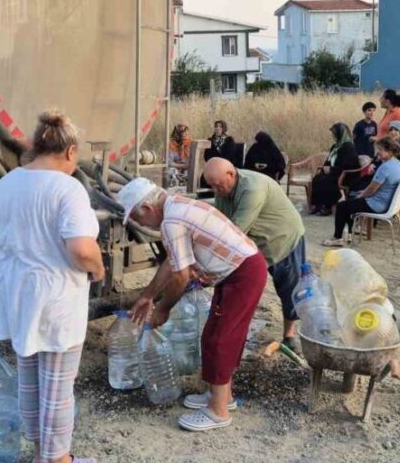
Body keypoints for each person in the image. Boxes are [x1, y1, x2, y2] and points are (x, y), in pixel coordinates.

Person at [0, 112, 104, 463]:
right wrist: (98, 268)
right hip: (55, 297)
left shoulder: (6, 184)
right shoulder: (67, 189)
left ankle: (39, 453)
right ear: (70, 151)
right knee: (58, 384)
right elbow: (81, 248)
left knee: (30, 377)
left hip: (15, 296)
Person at [118, 178, 266, 432]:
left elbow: (181, 276)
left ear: (148, 208)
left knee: (220, 339)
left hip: (242, 274)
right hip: (240, 270)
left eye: (137, 219)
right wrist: (148, 296)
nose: (141, 225)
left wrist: (163, 309)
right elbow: (172, 261)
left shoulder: (171, 222)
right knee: (215, 335)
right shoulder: (178, 205)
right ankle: (223, 397)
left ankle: (218, 412)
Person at [204, 158, 306, 351]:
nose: (215, 190)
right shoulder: (222, 190)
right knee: (240, 284)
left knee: (288, 287)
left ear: (231, 174)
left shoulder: (253, 188)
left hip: (283, 237)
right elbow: (221, 223)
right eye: (212, 186)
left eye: (217, 185)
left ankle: (289, 335)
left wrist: (208, 260)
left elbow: (235, 232)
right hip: (255, 240)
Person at [322, 137, 400, 247]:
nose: (378, 152)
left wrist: (361, 195)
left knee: (342, 206)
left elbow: (371, 189)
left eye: (380, 150)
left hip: (377, 205)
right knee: (350, 201)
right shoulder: (399, 164)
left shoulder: (385, 168)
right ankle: (350, 233)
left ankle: (338, 238)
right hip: (387, 202)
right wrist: (362, 194)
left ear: (389, 151)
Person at [309, 123, 361, 216]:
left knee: (326, 180)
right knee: (318, 178)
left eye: (334, 134)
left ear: (340, 134)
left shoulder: (348, 147)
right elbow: (329, 160)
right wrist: (325, 168)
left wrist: (332, 170)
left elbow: (349, 165)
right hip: (336, 172)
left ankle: (328, 206)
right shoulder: (335, 146)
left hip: (346, 175)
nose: (333, 136)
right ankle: (318, 205)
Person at [200, 120, 243, 189]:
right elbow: (206, 156)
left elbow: (230, 155)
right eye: (216, 126)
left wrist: (220, 164)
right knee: (205, 177)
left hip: (224, 166)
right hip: (213, 165)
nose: (218, 128)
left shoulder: (229, 140)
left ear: (224, 129)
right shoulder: (210, 140)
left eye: (220, 127)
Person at [167, 124, 193, 188]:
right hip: (176, 169)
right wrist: (183, 165)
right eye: (185, 133)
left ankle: (187, 191)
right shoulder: (171, 144)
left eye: (187, 133)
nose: (187, 135)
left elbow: (190, 163)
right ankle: (173, 190)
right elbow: (169, 163)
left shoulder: (190, 144)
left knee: (188, 174)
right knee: (172, 172)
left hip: (186, 169)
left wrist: (184, 165)